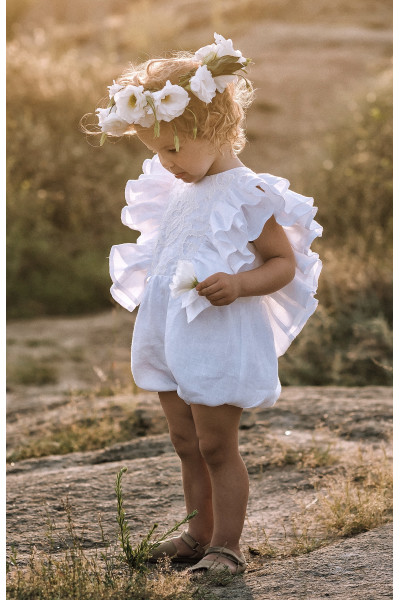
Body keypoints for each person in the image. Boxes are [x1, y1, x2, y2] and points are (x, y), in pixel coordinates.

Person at [92, 33, 322, 575]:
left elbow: (282, 263)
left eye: (173, 148)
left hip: (217, 332)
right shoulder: (176, 188)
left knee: (217, 444)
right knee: (184, 440)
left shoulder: (249, 193)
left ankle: (227, 546)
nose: (166, 162)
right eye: (156, 152)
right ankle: (195, 535)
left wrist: (240, 285)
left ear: (216, 129)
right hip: (173, 328)